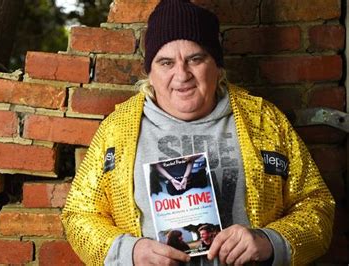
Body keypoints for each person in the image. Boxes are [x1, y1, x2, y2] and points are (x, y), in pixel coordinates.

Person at [61, 0, 335, 265]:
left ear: (217, 66)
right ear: (150, 73)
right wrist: (129, 252)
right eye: (166, 62)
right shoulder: (117, 129)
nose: (182, 75)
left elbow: (317, 206)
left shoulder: (265, 121)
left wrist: (268, 241)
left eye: (195, 58)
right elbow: (78, 215)